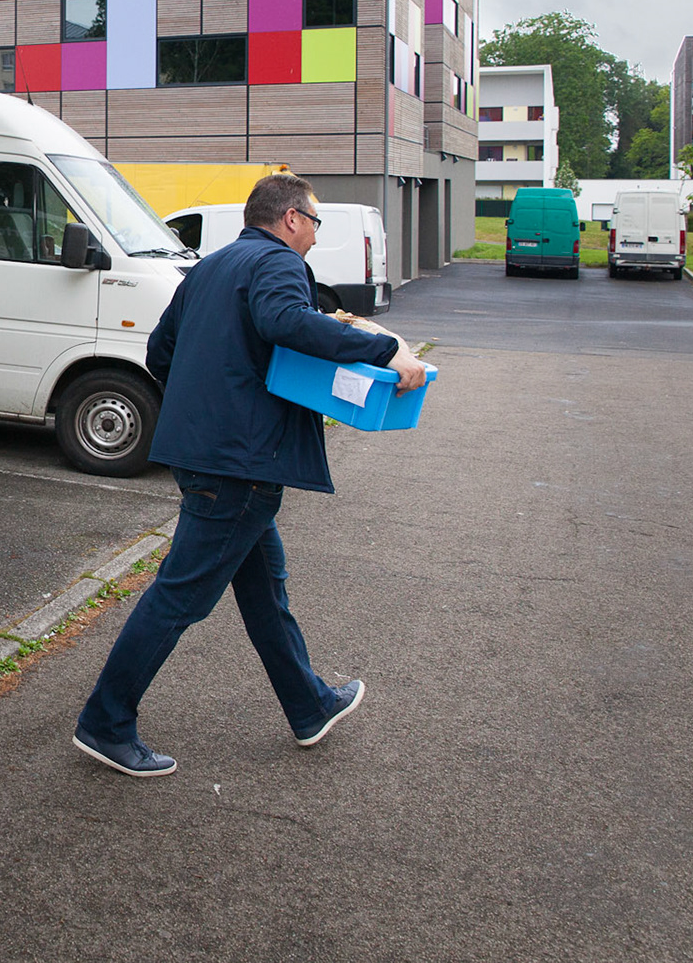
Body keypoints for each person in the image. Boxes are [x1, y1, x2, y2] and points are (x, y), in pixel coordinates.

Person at [72, 173, 429, 777]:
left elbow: (162, 350)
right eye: (315, 223)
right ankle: (105, 722)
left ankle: (309, 705)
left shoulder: (211, 266)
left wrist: (206, 400)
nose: (315, 237)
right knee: (179, 595)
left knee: (265, 590)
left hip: (207, 452)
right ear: (290, 217)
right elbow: (286, 322)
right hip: (240, 461)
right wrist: (384, 349)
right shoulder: (278, 263)